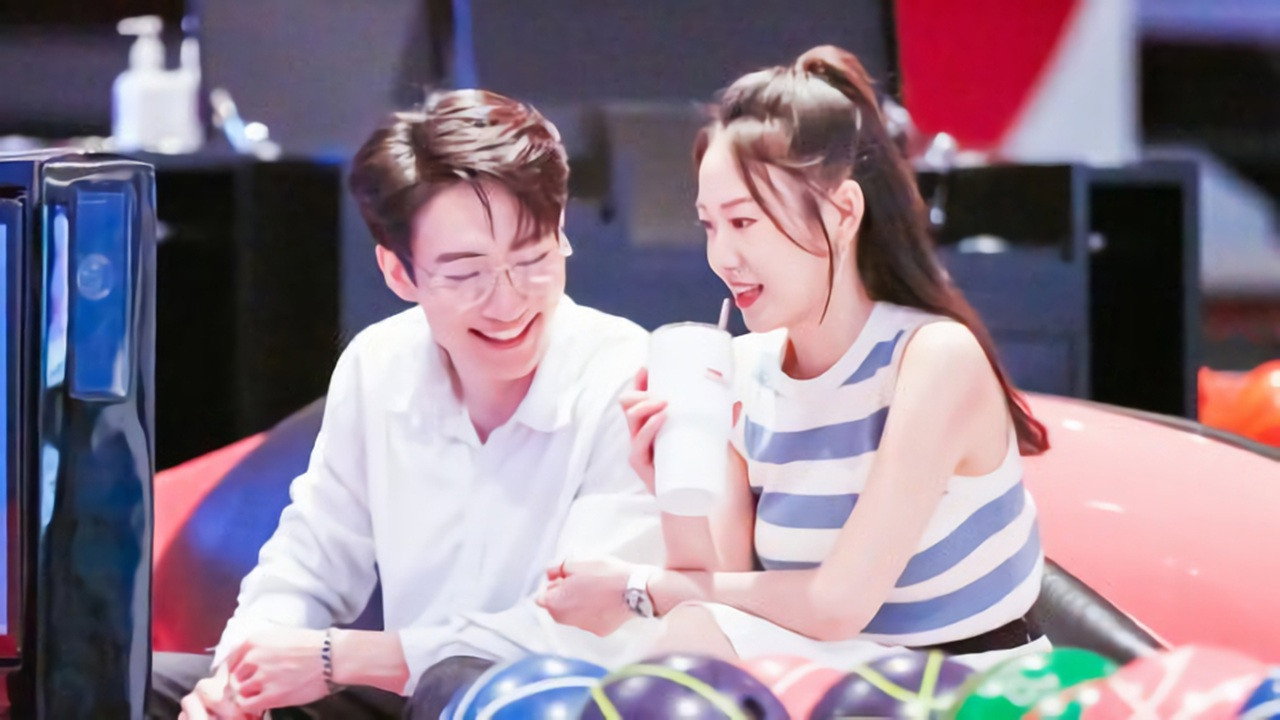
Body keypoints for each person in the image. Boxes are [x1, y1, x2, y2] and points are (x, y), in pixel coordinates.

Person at [151, 88, 660, 720]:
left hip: (551, 701)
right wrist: (238, 678)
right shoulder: (380, 363)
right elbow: (309, 561)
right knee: (139, 687)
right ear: (399, 273)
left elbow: (584, 636)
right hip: (402, 690)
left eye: (533, 260)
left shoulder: (624, 374)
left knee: (458, 683)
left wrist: (344, 657)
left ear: (560, 238)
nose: (508, 303)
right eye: (465, 273)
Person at [540, 45, 1052, 668]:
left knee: (690, 645)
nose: (722, 257)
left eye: (743, 222)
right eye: (709, 226)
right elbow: (721, 587)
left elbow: (837, 604)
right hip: (835, 678)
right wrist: (675, 486)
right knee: (694, 639)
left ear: (842, 212)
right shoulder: (743, 367)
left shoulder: (934, 357)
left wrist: (635, 588)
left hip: (972, 684)